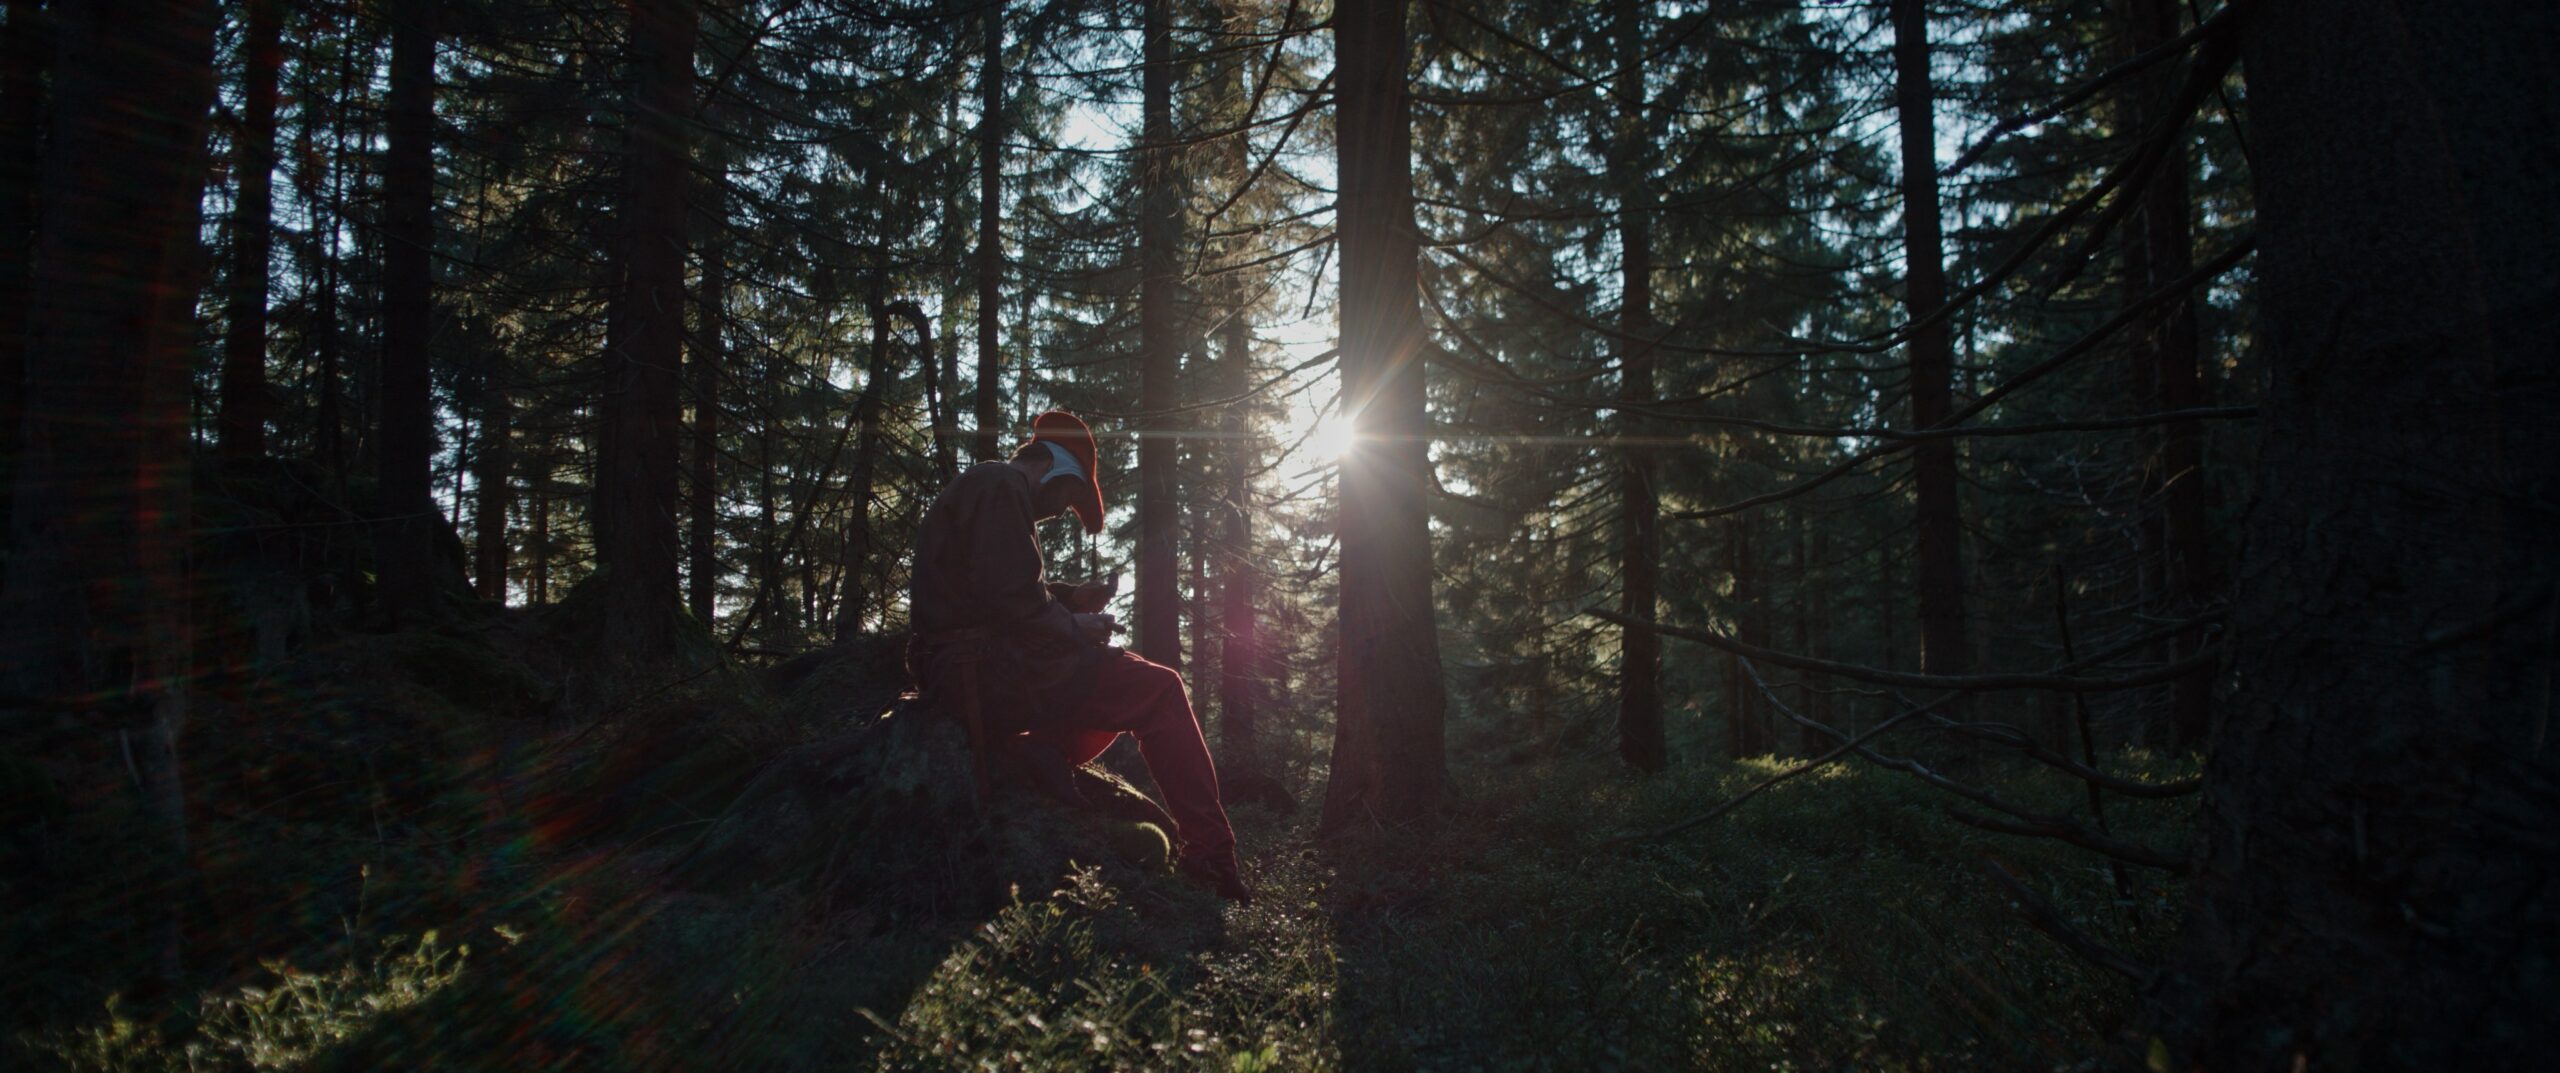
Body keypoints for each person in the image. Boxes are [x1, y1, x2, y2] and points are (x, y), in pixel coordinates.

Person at [905, 411, 1250, 903]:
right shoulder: (1001, 482)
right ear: (1053, 473)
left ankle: (1046, 750)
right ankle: (1211, 856)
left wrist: (1071, 599)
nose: (1057, 512)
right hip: (983, 669)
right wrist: (1076, 627)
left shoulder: (987, 485)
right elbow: (1011, 598)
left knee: (1113, 676)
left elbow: (993, 590)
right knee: (1158, 689)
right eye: (1067, 500)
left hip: (970, 667)